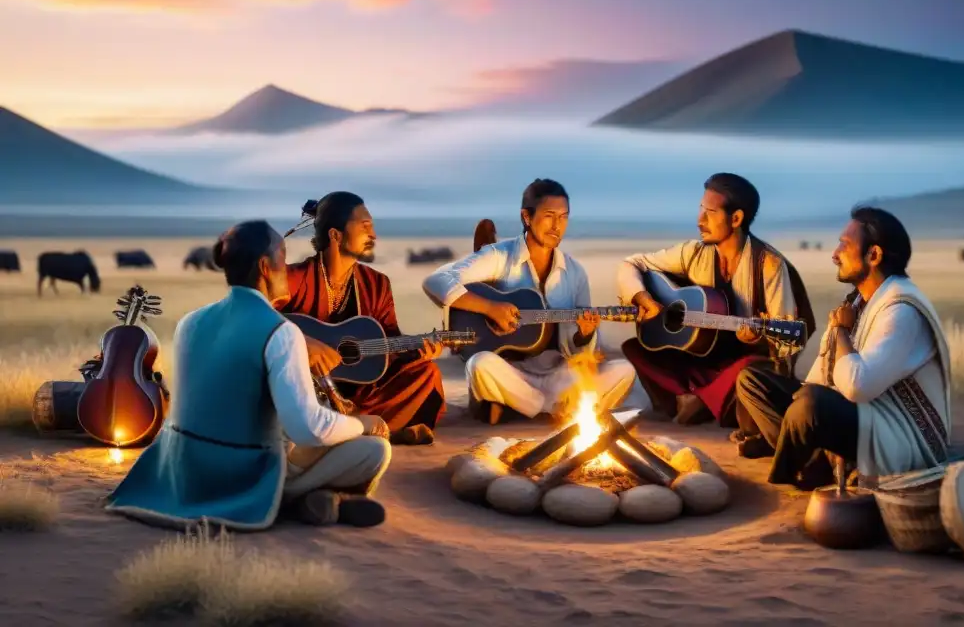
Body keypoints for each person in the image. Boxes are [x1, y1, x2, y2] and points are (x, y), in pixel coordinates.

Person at [105, 221, 392, 530]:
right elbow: (309, 429)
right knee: (375, 450)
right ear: (265, 266)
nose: (288, 268)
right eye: (283, 258)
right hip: (239, 474)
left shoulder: (190, 321)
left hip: (182, 469)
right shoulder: (281, 332)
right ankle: (297, 498)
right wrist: (363, 423)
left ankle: (316, 499)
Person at [734, 206, 951, 490]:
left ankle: (799, 466)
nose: (835, 255)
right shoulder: (859, 302)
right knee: (753, 380)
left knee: (810, 405)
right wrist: (800, 395)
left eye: (844, 246)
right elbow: (820, 378)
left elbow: (856, 387)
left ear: (873, 255)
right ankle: (813, 461)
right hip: (862, 414)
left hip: (902, 437)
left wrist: (840, 331)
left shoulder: (901, 310)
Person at [422, 179, 636, 424]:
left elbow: (581, 355)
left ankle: (522, 406)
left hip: (560, 375)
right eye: (549, 216)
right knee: (479, 364)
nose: (557, 226)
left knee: (624, 371)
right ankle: (554, 409)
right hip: (512, 373)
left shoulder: (575, 272)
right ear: (526, 216)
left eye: (564, 217)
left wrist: (584, 336)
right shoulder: (499, 256)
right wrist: (490, 308)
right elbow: (436, 280)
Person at [616, 172, 811, 428]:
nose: (700, 220)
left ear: (736, 218)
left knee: (751, 370)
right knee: (637, 348)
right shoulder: (694, 253)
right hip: (704, 359)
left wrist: (760, 337)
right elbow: (633, 263)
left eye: (710, 212)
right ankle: (701, 401)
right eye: (700, 210)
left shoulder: (769, 265)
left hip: (740, 365)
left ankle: (696, 401)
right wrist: (643, 298)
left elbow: (786, 346)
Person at [280, 192, 445, 446]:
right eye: (365, 227)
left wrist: (415, 351)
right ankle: (374, 428)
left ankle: (355, 426)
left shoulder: (377, 283)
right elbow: (252, 312)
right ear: (335, 235)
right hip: (304, 389)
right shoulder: (294, 278)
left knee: (426, 374)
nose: (374, 235)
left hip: (357, 392)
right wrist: (302, 341)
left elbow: (389, 340)